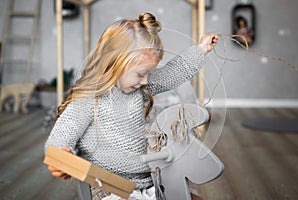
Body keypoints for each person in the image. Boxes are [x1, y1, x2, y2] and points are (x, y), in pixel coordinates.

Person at [45, 12, 218, 200]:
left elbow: (173, 72)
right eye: (140, 74)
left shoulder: (139, 87)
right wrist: (61, 158)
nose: (145, 81)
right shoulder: (89, 99)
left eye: (148, 74)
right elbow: (60, 137)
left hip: (150, 181)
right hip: (109, 188)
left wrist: (201, 49)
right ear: (115, 63)